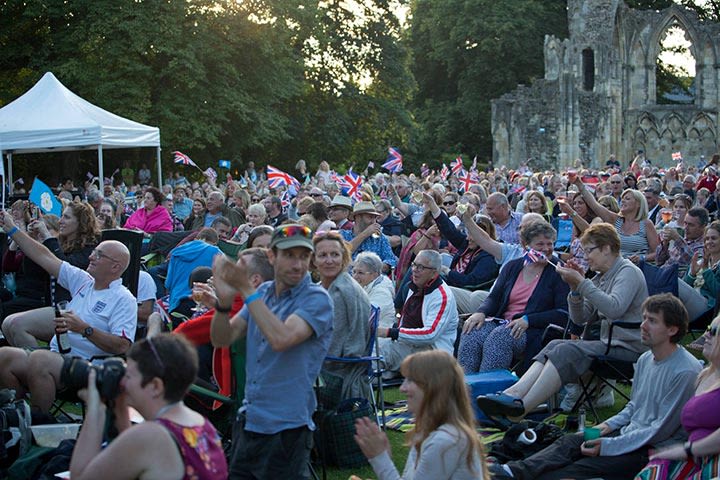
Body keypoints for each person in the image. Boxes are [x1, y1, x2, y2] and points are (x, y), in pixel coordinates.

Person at [489, 294, 702, 480]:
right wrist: (604, 428)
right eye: (644, 318)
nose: (643, 326)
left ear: (672, 329)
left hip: (649, 449)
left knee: (570, 470)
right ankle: (510, 472)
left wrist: (608, 445)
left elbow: (659, 430)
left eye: (652, 321)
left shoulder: (685, 371)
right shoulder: (646, 358)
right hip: (627, 434)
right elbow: (634, 406)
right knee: (569, 443)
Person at [477, 223, 648, 420]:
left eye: (589, 251)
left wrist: (583, 283)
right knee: (555, 344)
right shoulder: (602, 277)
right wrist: (574, 289)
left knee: (567, 349)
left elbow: (614, 309)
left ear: (607, 248)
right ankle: (512, 394)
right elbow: (580, 317)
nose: (586, 257)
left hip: (628, 347)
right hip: (608, 342)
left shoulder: (627, 272)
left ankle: (522, 409)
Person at [209, 224, 334, 478]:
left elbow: (282, 338)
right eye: (289, 255)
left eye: (304, 256)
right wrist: (222, 304)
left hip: (287, 428)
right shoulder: (263, 293)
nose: (298, 264)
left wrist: (245, 289)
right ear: (271, 256)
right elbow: (222, 338)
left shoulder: (317, 299)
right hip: (251, 419)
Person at [0, 210, 136, 415]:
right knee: (4, 356)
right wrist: (12, 229)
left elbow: (122, 345)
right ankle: (19, 416)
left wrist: (84, 329)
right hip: (59, 357)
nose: (91, 256)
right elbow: (43, 256)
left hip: (88, 369)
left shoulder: (123, 298)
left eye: (99, 254)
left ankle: (40, 421)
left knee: (40, 359)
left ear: (115, 266)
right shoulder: (83, 282)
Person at [69, 334, 228, 479]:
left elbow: (80, 477)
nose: (122, 382)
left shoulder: (152, 436)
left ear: (155, 387)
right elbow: (125, 457)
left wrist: (95, 409)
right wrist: (120, 406)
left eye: (129, 376)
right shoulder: (201, 424)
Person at [354, 350, 488, 480]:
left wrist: (379, 458)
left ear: (433, 387)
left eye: (411, 380)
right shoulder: (426, 430)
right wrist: (384, 456)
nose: (402, 388)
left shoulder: (446, 440)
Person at [458, 221, 569, 374]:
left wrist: (529, 320)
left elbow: (563, 313)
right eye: (540, 244)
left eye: (550, 244)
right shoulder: (513, 266)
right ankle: (465, 387)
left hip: (534, 329)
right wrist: (481, 312)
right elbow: (495, 297)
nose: (546, 249)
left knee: (499, 339)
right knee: (472, 331)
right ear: (526, 246)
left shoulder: (558, 271)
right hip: (503, 322)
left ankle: (489, 390)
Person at [2, 202, 100, 347]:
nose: (61, 221)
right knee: (7, 324)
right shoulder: (60, 244)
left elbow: (65, 268)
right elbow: (21, 267)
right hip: (53, 305)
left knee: (16, 324)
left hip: (75, 311)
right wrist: (27, 237)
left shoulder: (91, 249)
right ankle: (29, 364)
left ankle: (39, 365)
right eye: (62, 216)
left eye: (66, 217)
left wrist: (47, 236)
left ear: (81, 222)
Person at [634, 315, 720, 479]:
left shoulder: (686, 371)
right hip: (695, 455)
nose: (706, 335)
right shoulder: (705, 375)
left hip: (712, 460)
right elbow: (634, 407)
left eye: (715, 331)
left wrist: (686, 449)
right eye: (708, 328)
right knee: (650, 473)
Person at [378, 249, 458, 377]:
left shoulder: (442, 296)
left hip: (434, 354)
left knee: (376, 356)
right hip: (410, 347)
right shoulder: (414, 286)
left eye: (421, 267)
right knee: (373, 356)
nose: (414, 270)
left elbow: (430, 334)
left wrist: (388, 332)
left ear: (434, 273)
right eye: (414, 264)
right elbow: (404, 323)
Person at [313, 231, 372, 400]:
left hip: (335, 372)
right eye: (323, 255)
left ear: (344, 257)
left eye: (335, 254)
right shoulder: (320, 287)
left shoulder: (342, 292)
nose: (329, 260)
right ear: (314, 260)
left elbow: (334, 346)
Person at [573, 176, 659, 263]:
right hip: (616, 266)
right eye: (622, 199)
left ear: (638, 204)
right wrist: (580, 185)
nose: (623, 201)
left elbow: (657, 252)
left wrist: (642, 258)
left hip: (637, 267)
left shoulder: (646, 224)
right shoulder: (616, 220)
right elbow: (595, 205)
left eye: (627, 199)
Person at [340, 201, 398, 272]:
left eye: (375, 218)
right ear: (358, 217)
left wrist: (374, 269)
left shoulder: (379, 238)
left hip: (374, 280)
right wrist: (365, 234)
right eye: (370, 217)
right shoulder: (343, 235)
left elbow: (391, 260)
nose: (374, 222)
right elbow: (342, 254)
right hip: (348, 280)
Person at [352, 251, 397, 339]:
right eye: (354, 272)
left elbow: (364, 319)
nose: (355, 276)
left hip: (377, 342)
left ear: (374, 275)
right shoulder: (364, 285)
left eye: (360, 273)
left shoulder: (382, 293)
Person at [656, 206, 708, 277]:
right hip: (661, 275)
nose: (686, 228)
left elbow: (692, 261)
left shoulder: (705, 245)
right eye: (685, 223)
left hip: (675, 281)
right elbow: (659, 261)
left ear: (703, 226)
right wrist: (665, 244)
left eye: (691, 225)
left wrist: (677, 239)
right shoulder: (684, 240)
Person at [684, 220, 720, 311]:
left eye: (714, 238)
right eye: (707, 239)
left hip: (707, 307)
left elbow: (717, 293)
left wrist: (705, 269)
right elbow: (685, 287)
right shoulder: (699, 261)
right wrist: (692, 274)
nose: (709, 242)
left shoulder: (710, 265)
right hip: (690, 301)